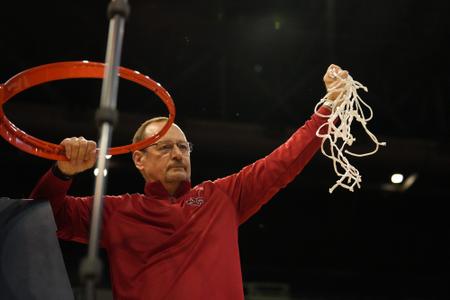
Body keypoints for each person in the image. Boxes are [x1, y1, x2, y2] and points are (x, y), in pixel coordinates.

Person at [30, 64, 348, 300]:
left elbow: (282, 163)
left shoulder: (221, 197)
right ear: (139, 159)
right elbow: (42, 218)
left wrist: (329, 107)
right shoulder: (115, 211)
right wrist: (63, 173)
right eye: (165, 147)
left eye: (183, 147)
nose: (178, 154)